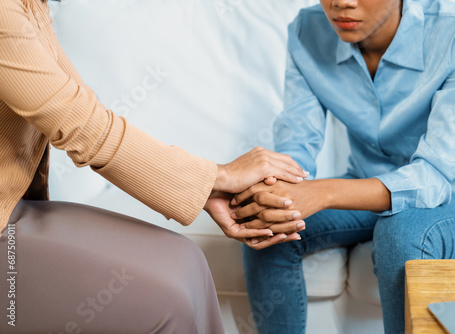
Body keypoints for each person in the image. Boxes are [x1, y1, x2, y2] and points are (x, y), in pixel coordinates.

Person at [0, 0, 308, 332]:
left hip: (14, 207)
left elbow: (78, 102)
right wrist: (215, 177)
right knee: (166, 301)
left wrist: (207, 190)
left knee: (186, 260)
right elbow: (80, 126)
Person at [235, 0, 455, 333]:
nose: (342, 2)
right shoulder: (308, 30)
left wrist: (325, 192)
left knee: (400, 232)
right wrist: (277, 190)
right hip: (366, 183)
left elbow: (437, 176)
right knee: (269, 222)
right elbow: (296, 146)